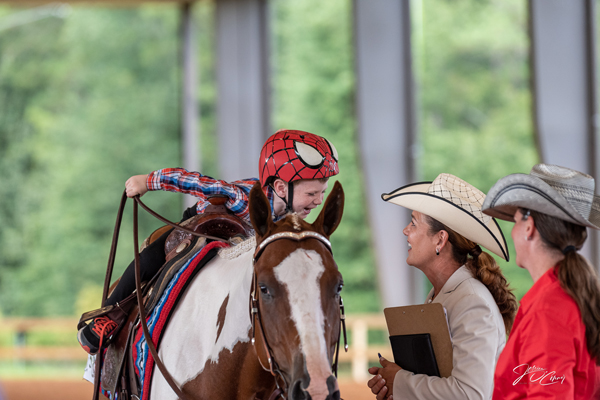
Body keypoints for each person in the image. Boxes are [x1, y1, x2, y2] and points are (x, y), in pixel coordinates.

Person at [77, 129, 339, 355]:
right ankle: (108, 316)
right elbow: (197, 183)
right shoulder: (242, 196)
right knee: (149, 260)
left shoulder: (290, 222)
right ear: (281, 188)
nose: (318, 201)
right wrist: (148, 182)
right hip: (203, 225)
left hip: (239, 245)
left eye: (322, 193)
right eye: (312, 193)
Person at [368, 173, 518, 400]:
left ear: (440, 240)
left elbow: (471, 394)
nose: (405, 231)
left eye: (413, 223)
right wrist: (395, 388)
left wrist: (399, 381)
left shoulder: (472, 301)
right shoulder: (445, 295)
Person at [482, 163, 600, 399]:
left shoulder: (549, 307)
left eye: (516, 221)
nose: (513, 232)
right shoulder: (571, 293)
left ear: (529, 227)